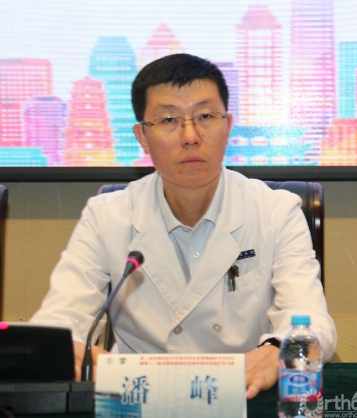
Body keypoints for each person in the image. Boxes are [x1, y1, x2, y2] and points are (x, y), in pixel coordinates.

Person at [30, 53, 337, 399]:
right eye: (168, 120)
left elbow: (311, 319)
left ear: (228, 125)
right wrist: (67, 351)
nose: (190, 136)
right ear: (142, 137)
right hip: (138, 396)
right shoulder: (107, 216)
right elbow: (60, 318)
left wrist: (277, 351)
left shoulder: (276, 211)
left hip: (242, 394)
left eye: (205, 116)